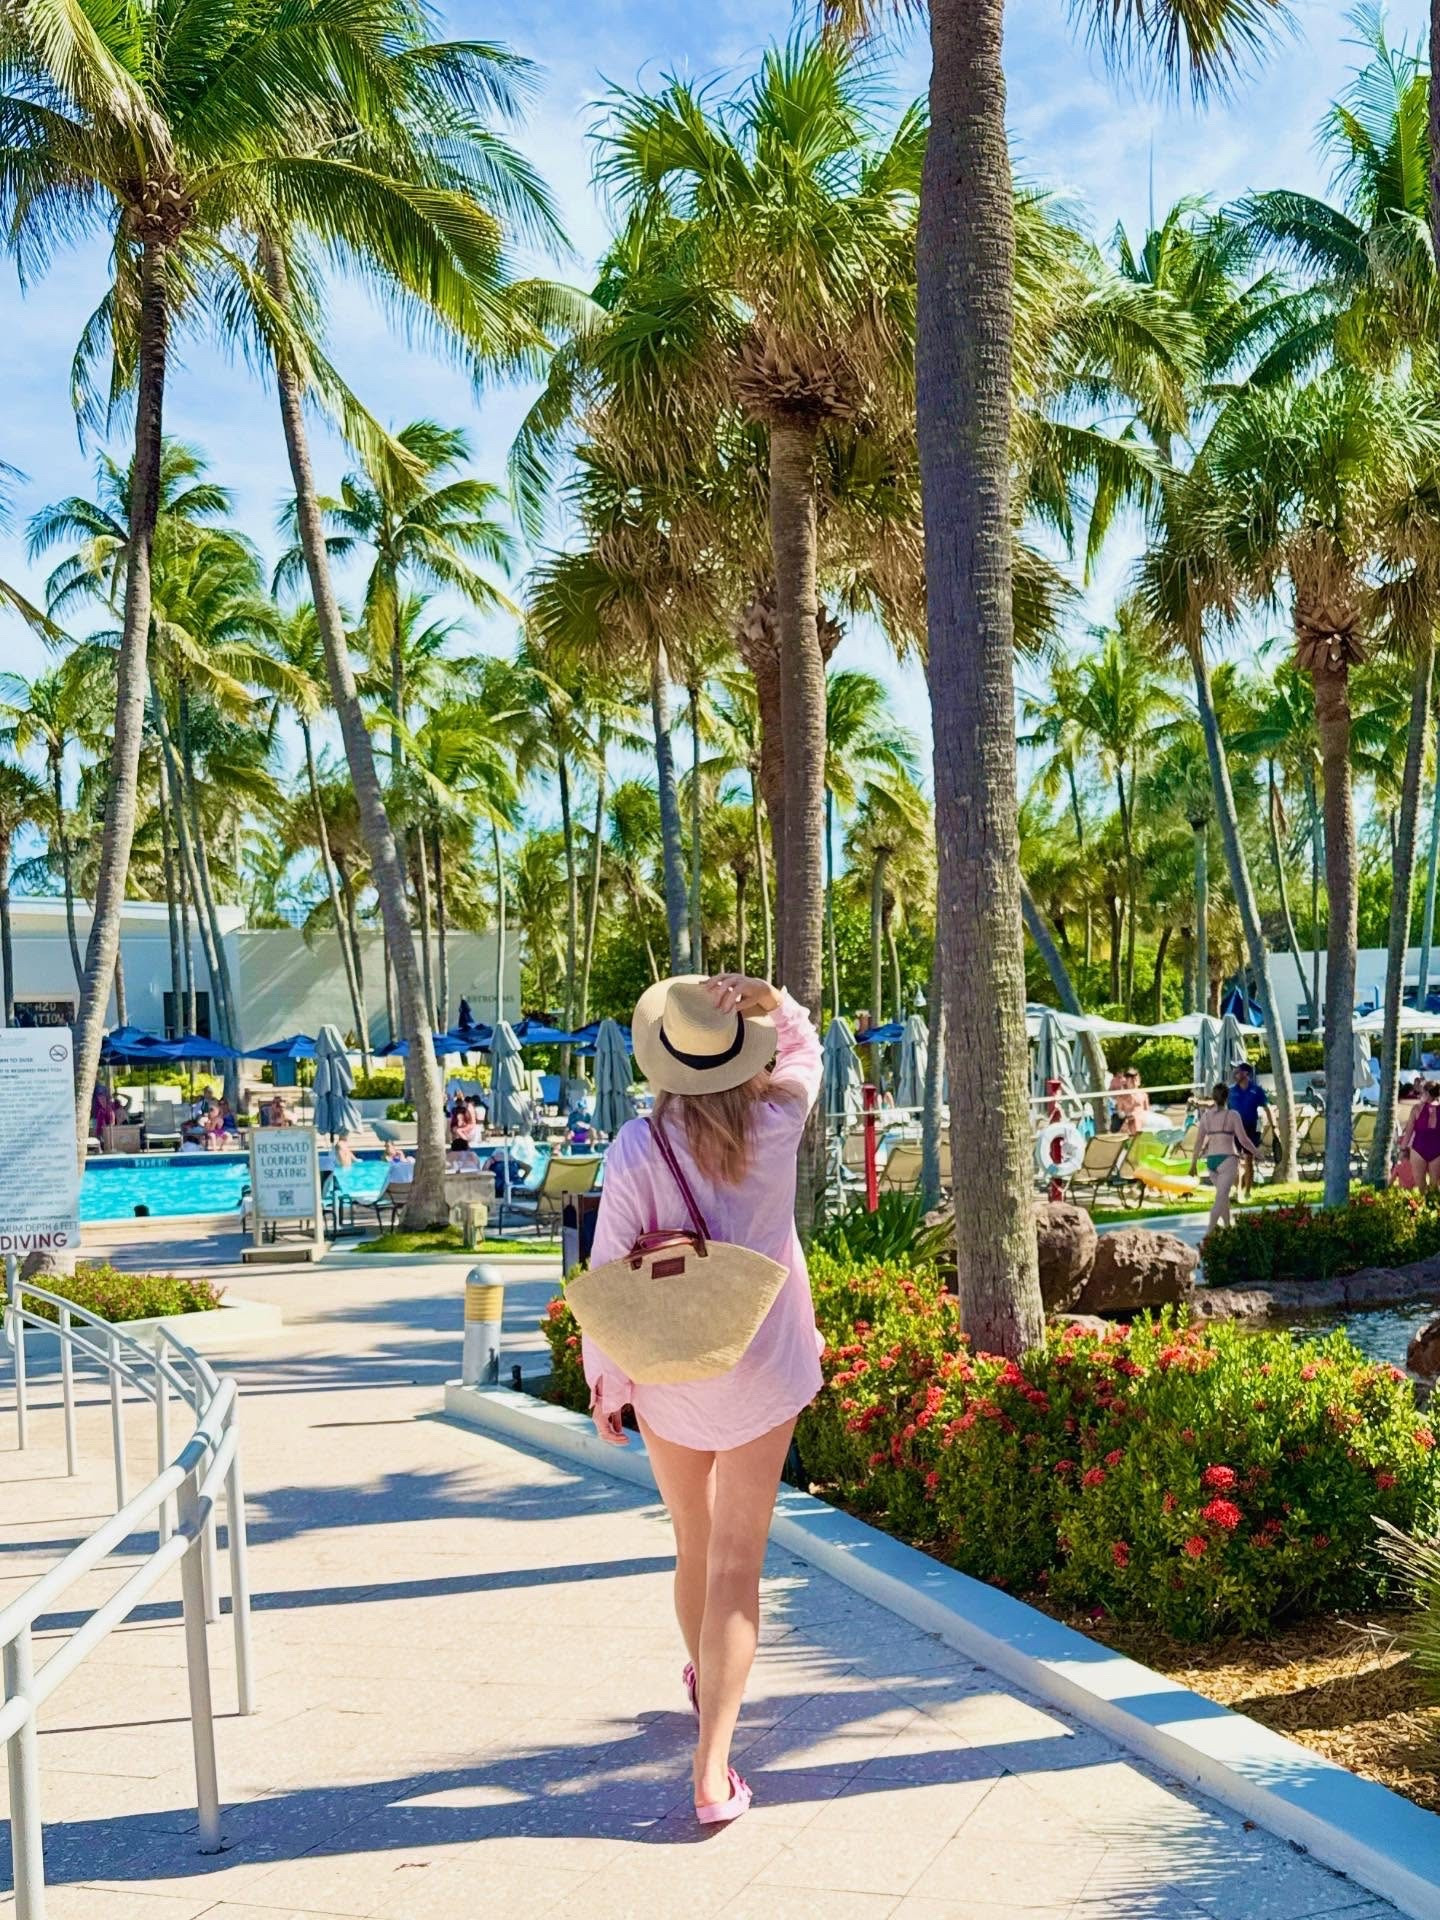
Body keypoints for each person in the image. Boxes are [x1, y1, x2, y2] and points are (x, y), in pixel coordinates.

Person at [583, 972, 823, 1827]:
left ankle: (706, 1691)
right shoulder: (777, 1120)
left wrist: (606, 1385)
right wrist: (771, 1000)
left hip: (671, 1373)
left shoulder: (636, 1147)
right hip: (764, 1366)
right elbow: (806, 1049)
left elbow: (608, 1276)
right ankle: (713, 1769)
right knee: (737, 1566)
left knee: (694, 1545)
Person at [1190, 1083, 1256, 1229]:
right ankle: (1210, 1232)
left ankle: (1227, 1227)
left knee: (1223, 1196)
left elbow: (1198, 1143)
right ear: (1228, 1097)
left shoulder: (1206, 1117)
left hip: (1211, 1161)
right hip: (1228, 1159)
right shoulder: (1233, 1115)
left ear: (1213, 1097)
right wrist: (1257, 1152)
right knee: (1221, 1197)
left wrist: (1193, 1164)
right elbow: (1244, 1140)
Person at [1228, 1061, 1271, 1196]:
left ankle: (1247, 1192)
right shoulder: (1231, 1091)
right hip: (1234, 1128)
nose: (1235, 1073)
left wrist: (1274, 1128)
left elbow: (1267, 1108)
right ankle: (1237, 1190)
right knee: (1234, 1160)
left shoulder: (1256, 1090)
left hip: (1250, 1128)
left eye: (1238, 1071)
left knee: (1248, 1160)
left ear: (1246, 1073)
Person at [1400, 1082, 1440, 1190]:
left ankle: (1427, 1205)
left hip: (1420, 1149)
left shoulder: (1416, 1109)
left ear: (1427, 1093)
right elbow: (1408, 1131)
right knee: (1433, 1186)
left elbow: (1408, 1131)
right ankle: (1430, 1205)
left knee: (1422, 1185)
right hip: (1433, 1150)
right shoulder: (1417, 1108)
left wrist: (1402, 1149)